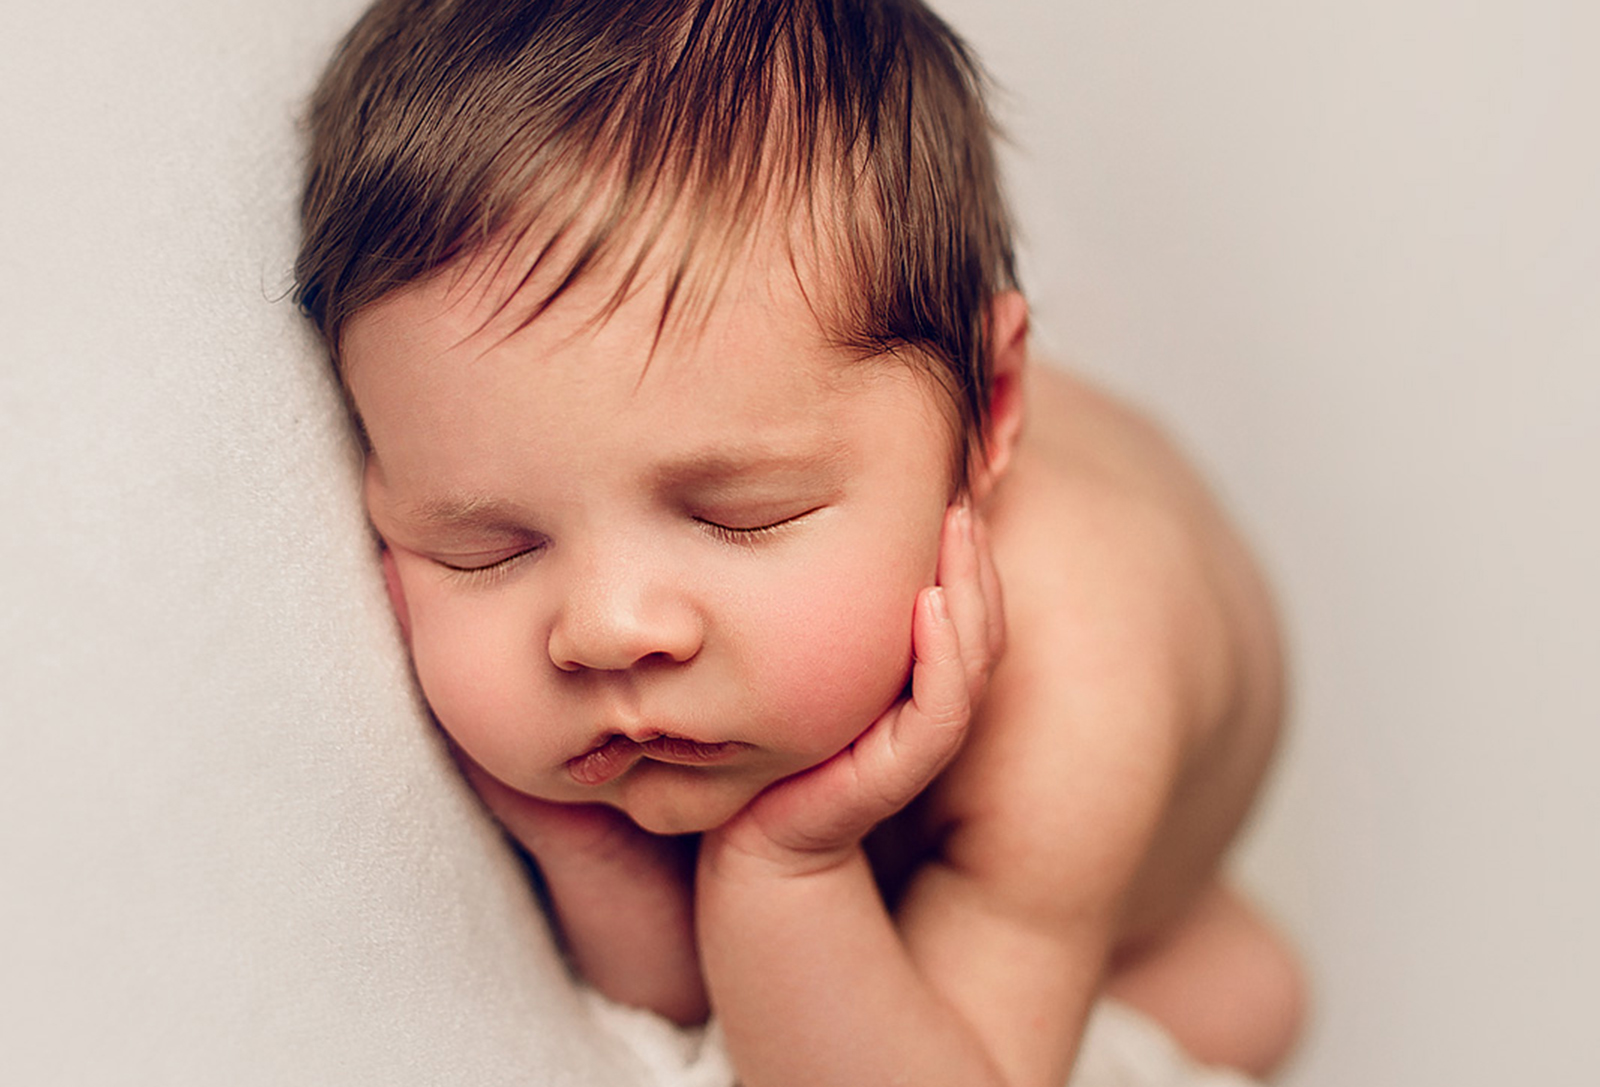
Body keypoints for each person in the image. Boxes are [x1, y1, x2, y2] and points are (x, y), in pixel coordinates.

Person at [294, 1, 1305, 1083]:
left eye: (741, 515)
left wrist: (786, 866)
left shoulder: (1081, 696)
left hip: (1127, 902)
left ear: (987, 411)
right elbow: (691, 998)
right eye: (485, 546)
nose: (605, 627)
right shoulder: (724, 607)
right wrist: (589, 852)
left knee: (1240, 1005)